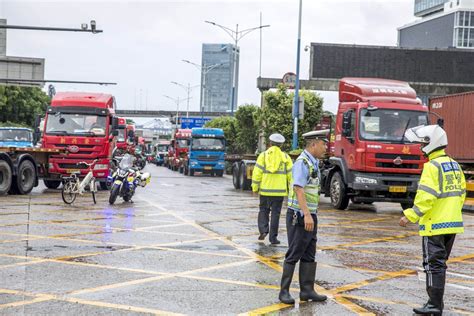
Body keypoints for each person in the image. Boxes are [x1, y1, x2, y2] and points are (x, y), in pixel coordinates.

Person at [400, 125, 465, 315]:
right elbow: (461, 194)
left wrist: (409, 216)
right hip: (452, 225)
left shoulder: (432, 167)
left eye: (422, 143)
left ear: (430, 143)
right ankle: (435, 304)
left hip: (434, 225)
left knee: (432, 266)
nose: (420, 147)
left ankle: (434, 305)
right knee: (440, 265)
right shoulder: (454, 164)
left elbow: (426, 198)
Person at [279, 130, 329, 305]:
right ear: (314, 144)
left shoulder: (313, 162)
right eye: (323, 144)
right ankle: (283, 292)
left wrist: (311, 215)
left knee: (309, 253)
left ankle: (307, 290)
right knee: (294, 252)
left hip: (310, 214)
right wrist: (306, 214)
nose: (325, 148)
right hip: (299, 215)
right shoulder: (303, 162)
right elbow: (298, 188)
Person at [252, 133, 293, 245]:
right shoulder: (285, 157)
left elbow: (257, 173)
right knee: (275, 214)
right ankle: (273, 238)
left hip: (265, 190)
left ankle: (263, 230)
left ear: (270, 143)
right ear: (281, 145)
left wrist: (255, 187)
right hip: (279, 192)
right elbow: (291, 176)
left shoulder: (263, 156)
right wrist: (292, 191)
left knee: (263, 211)